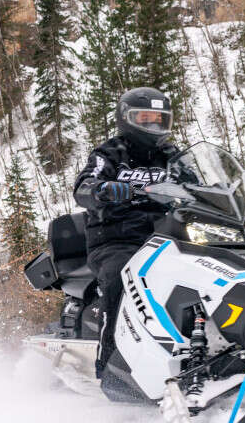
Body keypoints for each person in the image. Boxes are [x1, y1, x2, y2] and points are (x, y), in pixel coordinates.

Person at [74, 87, 178, 382]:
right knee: (123, 275)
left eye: (159, 119)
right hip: (115, 239)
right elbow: (84, 185)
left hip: (166, 237)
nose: (152, 125)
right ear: (125, 119)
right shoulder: (109, 153)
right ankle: (110, 365)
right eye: (144, 118)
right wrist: (103, 190)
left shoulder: (172, 156)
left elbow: (200, 182)